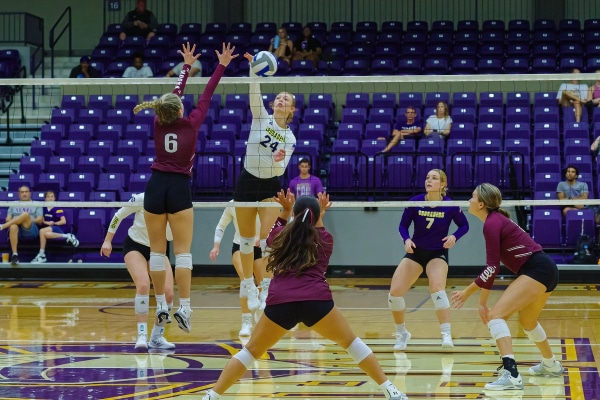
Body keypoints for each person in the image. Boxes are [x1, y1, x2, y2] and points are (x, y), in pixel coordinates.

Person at [201, 191, 408, 400]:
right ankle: (391, 391)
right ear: (317, 216)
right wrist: (320, 213)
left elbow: (276, 229)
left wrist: (285, 211)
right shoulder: (326, 239)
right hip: (316, 302)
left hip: (281, 302)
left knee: (251, 351)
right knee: (352, 344)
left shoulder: (279, 236)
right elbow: (315, 229)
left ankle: (212, 395)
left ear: (295, 214)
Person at [133, 42, 236, 334]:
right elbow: (207, 94)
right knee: (183, 253)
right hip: (179, 188)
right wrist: (221, 65)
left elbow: (174, 95)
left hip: (155, 187)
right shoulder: (191, 125)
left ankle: (162, 307)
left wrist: (186, 67)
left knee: (156, 251)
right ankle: (185, 309)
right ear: (178, 110)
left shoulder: (158, 122)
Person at [451, 183, 563, 390]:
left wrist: (467, 293)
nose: (469, 200)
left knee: (496, 317)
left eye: (472, 197)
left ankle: (511, 375)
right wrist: (482, 302)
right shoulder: (495, 221)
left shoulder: (492, 224)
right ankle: (551, 364)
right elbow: (492, 268)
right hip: (545, 269)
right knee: (528, 321)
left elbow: (491, 268)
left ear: (482, 204)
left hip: (537, 270)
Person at [234, 52, 297, 313]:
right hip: (248, 182)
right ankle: (249, 285)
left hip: (271, 184)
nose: (282, 100)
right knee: (246, 240)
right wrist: (253, 70)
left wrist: (278, 159)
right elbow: (253, 94)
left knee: (270, 241)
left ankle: (268, 286)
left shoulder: (290, 139)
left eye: (287, 99)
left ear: (292, 110)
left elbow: (280, 168)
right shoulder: (261, 118)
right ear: (273, 104)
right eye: (279, 97)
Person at [388, 169, 469, 350]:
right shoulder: (415, 202)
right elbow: (403, 225)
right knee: (395, 293)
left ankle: (446, 335)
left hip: (437, 252)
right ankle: (402, 333)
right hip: (416, 251)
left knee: (437, 289)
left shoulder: (450, 205)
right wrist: (406, 239)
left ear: (442, 184)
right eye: (427, 178)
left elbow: (464, 225)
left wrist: (454, 236)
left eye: (434, 178)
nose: (429, 181)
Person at [101, 193, 176, 351]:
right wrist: (108, 240)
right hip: (135, 245)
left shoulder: (176, 205)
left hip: (158, 248)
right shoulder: (142, 198)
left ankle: (157, 337)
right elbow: (118, 215)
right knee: (143, 285)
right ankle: (141, 335)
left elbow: (170, 236)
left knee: (168, 293)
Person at [209, 201, 267, 336]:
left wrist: (264, 237)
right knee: (246, 280)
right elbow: (220, 226)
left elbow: (272, 223)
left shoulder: (262, 201)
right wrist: (216, 246)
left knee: (263, 283)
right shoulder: (232, 204)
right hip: (240, 245)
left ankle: (260, 314)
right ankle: (246, 322)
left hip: (258, 247)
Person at [30, 190, 79, 264]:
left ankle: (41, 255)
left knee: (41, 231)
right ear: (45, 199)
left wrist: (54, 223)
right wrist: (47, 223)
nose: (50, 198)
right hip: (48, 229)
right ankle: (67, 236)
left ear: (54, 198)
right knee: (45, 234)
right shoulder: (43, 208)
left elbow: (63, 221)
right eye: (48, 197)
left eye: (52, 196)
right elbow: (42, 220)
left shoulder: (57, 208)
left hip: (58, 228)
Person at [0, 185, 43, 266]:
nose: (24, 194)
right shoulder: (13, 204)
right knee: (13, 226)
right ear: (19, 194)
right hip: (16, 230)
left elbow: (39, 219)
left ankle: (2, 226)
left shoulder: (37, 204)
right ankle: (15, 255)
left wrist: (25, 219)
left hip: (31, 229)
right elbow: (8, 219)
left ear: (30, 193)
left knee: (25, 215)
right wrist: (19, 221)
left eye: (26, 192)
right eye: (22, 192)